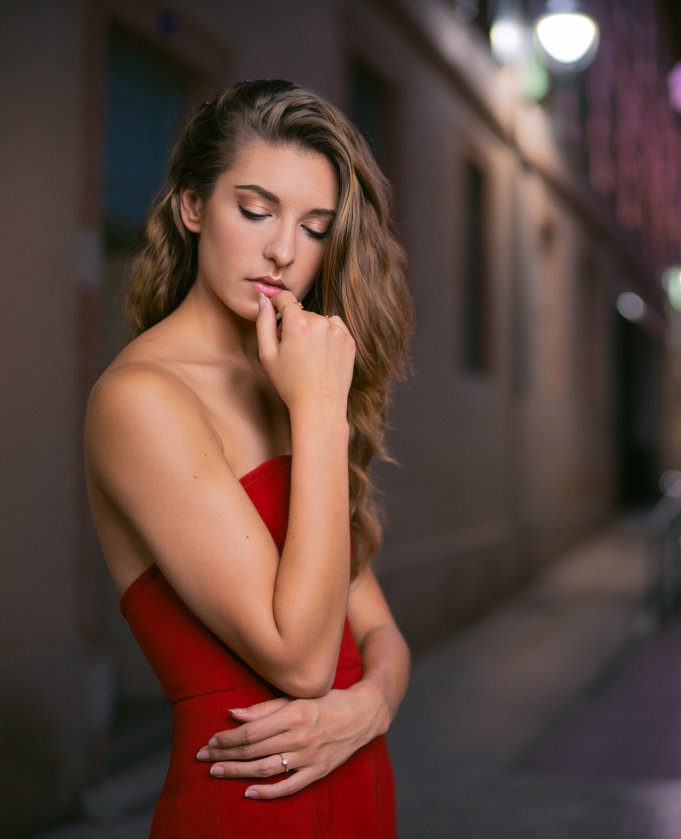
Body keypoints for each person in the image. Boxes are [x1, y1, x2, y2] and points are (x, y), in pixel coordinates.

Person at [84, 79, 413, 837]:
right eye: (256, 209)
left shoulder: (288, 381)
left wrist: (369, 706)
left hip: (360, 790)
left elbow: (378, 637)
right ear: (194, 206)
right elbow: (301, 661)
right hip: (248, 809)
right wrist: (321, 414)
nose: (283, 250)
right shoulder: (142, 399)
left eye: (316, 225)